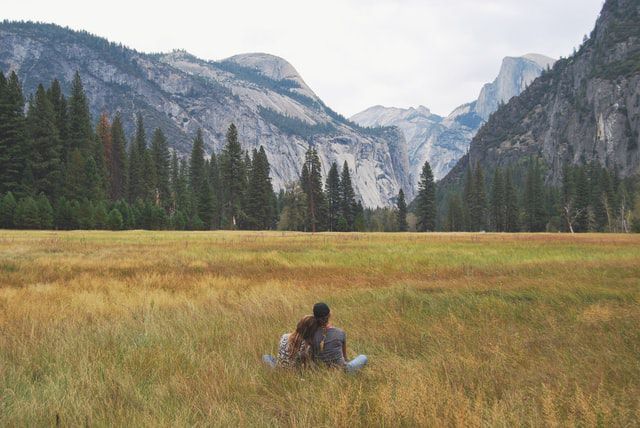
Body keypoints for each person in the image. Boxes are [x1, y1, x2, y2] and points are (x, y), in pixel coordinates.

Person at [310, 302, 368, 373]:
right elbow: (344, 356)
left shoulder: (310, 334)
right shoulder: (340, 332)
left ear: (314, 317)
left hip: (319, 370)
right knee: (363, 357)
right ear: (329, 315)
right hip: (341, 370)